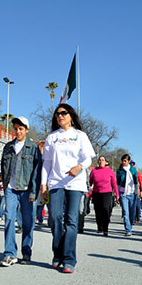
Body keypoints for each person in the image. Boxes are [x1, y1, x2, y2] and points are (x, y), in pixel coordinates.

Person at [40, 104, 95, 273]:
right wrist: (43, 185)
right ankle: (58, 254)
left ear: (71, 116)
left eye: (64, 113)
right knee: (55, 217)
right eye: (57, 114)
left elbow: (88, 159)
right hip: (56, 182)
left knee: (71, 220)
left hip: (75, 183)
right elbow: (47, 164)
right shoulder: (52, 137)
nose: (60, 116)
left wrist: (79, 167)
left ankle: (69, 258)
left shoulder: (80, 136)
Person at [0, 116, 42, 267]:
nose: (18, 131)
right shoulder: (8, 146)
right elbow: (3, 167)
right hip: (10, 189)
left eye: (21, 129)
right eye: (16, 128)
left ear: (27, 130)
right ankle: (10, 253)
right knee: (9, 219)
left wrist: (33, 192)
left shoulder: (34, 148)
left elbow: (37, 171)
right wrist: (4, 186)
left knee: (28, 222)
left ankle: (26, 252)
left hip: (27, 190)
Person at [89, 155, 119, 236]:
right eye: (99, 160)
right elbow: (90, 182)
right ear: (98, 162)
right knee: (98, 210)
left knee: (105, 209)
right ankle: (99, 227)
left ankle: (105, 228)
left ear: (105, 162)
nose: (101, 161)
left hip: (107, 192)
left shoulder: (110, 171)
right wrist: (90, 192)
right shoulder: (94, 171)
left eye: (103, 160)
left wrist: (117, 194)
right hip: (96, 192)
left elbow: (114, 183)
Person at [117, 154, 138, 236]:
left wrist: (137, 192)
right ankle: (128, 230)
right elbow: (118, 183)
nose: (123, 162)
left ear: (129, 161)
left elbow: (136, 182)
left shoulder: (133, 170)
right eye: (122, 161)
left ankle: (130, 225)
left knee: (132, 213)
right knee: (126, 212)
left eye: (125, 161)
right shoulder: (119, 171)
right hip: (123, 194)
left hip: (132, 193)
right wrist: (117, 194)